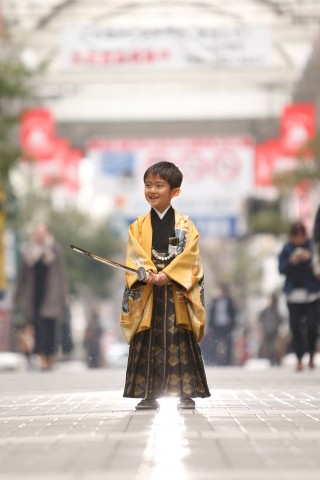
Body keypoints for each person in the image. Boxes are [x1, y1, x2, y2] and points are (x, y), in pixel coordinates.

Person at [120, 161, 210, 410]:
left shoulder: (185, 226)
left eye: (159, 185)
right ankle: (148, 394)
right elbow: (135, 254)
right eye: (148, 185)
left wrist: (168, 274)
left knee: (179, 339)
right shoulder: (137, 226)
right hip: (149, 292)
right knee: (147, 340)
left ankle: (185, 392)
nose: (152, 190)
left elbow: (190, 257)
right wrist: (149, 273)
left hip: (175, 293)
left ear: (175, 192)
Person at [13, 222, 69, 370]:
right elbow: (22, 277)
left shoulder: (54, 249)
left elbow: (61, 274)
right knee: (38, 328)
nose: (39, 235)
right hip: (35, 296)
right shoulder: (29, 251)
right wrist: (16, 297)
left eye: (42, 232)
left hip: (51, 295)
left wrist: (64, 295)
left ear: (46, 233)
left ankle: (50, 355)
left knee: (50, 327)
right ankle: (42, 356)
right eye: (37, 232)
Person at [278, 221, 320, 371]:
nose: (298, 239)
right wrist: (292, 261)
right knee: (295, 327)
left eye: (301, 236)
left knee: (312, 325)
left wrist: (309, 259)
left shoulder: (312, 248)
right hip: (293, 296)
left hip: (312, 294)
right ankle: (299, 358)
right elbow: (281, 269)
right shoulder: (287, 249)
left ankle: (311, 356)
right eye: (296, 236)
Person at [206, 284, 237, 366]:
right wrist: (209, 326)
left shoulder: (229, 301)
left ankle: (228, 362)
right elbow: (211, 313)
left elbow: (234, 313)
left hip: (227, 325)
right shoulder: (215, 301)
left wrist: (233, 324)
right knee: (215, 343)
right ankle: (214, 361)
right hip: (217, 326)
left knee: (228, 344)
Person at [258, 293, 283, 366]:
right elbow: (260, 319)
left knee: (274, 346)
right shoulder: (265, 311)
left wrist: (278, 326)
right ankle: (270, 359)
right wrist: (262, 329)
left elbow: (280, 320)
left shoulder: (276, 311)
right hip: (266, 330)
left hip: (274, 330)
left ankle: (275, 359)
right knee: (268, 346)